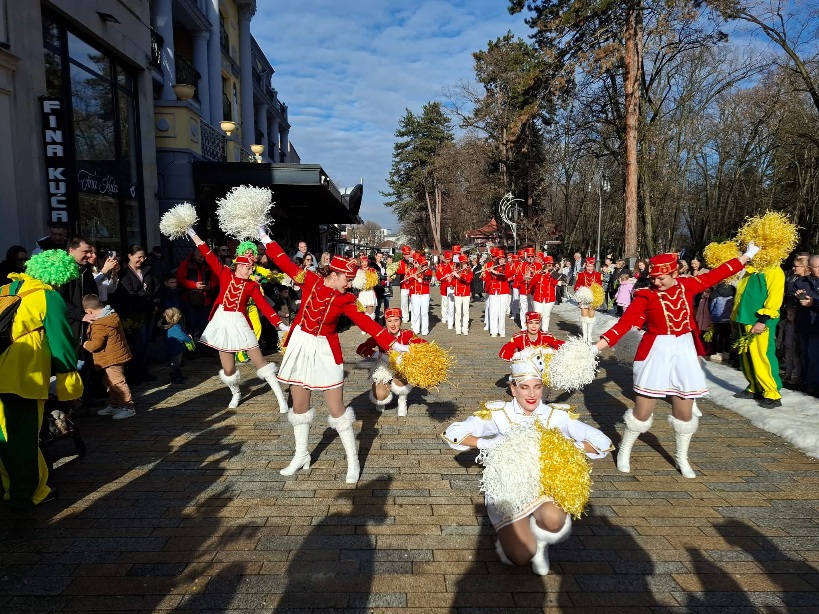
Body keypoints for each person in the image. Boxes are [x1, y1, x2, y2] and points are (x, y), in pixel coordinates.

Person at [259, 228, 408, 484]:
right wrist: (264, 237)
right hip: (301, 346)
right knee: (300, 404)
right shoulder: (309, 280)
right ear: (335, 274)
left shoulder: (346, 300)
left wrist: (393, 343)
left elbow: (365, 322)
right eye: (347, 280)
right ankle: (301, 454)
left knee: (337, 409)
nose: (350, 285)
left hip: (326, 351)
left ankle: (353, 460)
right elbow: (282, 261)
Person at [594, 246, 757, 478]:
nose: (657, 282)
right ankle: (625, 450)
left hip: (684, 352)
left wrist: (747, 256)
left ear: (674, 274)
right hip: (655, 352)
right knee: (643, 409)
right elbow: (625, 323)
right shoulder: (645, 295)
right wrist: (596, 347)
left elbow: (716, 275)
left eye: (662, 278)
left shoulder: (687, 286)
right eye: (654, 278)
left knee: (684, 411)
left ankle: (682, 457)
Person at [441, 353, 612, 575]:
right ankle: (525, 540)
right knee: (521, 557)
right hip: (509, 488)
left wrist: (561, 446)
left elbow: (602, 442)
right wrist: (489, 443)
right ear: (513, 389)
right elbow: (453, 433)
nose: (532, 394)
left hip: (544, 486)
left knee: (553, 519)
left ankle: (542, 545)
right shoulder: (499, 413)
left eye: (537, 387)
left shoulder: (555, 415)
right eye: (524, 387)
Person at [0, 249, 83, 508]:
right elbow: (62, 344)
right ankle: (29, 493)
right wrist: (70, 386)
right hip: (23, 376)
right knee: (23, 437)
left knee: (3, 434)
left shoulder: (5, 289)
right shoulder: (48, 296)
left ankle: (9, 486)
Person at [185, 229, 289, 410]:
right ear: (239, 266)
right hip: (222, 323)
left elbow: (264, 305)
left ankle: (281, 398)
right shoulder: (225, 273)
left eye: (251, 268)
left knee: (262, 364)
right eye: (248, 268)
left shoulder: (252, 286)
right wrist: (194, 234)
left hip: (241, 323)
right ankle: (236, 393)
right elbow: (208, 254)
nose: (251, 271)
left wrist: (279, 323)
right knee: (228, 369)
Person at [730, 248, 786, 408]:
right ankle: (754, 387)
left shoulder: (774, 270)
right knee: (746, 356)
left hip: (759, 321)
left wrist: (763, 319)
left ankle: (772, 392)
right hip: (744, 319)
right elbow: (739, 295)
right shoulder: (750, 270)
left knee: (761, 357)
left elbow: (775, 297)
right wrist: (734, 317)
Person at [356, 307, 426, 416]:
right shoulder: (380, 334)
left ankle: (402, 399)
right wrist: (380, 355)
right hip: (384, 366)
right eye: (389, 321)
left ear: (401, 321)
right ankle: (383, 393)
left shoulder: (408, 334)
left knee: (403, 370)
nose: (393, 324)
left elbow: (424, 345)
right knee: (379, 395)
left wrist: (408, 351)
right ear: (386, 322)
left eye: (396, 320)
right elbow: (361, 349)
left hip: (401, 366)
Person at [81, 294, 135, 420]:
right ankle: (115, 404)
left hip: (111, 358)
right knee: (109, 382)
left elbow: (96, 344)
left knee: (118, 382)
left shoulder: (100, 325)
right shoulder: (110, 316)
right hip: (113, 356)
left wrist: (86, 344)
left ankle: (128, 406)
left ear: (89, 311)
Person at [112, 245, 160, 384]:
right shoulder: (124, 273)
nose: (142, 259)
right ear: (130, 256)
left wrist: (156, 304)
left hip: (149, 312)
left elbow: (156, 287)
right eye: (139, 257)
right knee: (137, 342)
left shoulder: (148, 269)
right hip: (134, 313)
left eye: (143, 257)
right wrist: (149, 304)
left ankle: (143, 371)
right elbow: (131, 294)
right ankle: (134, 373)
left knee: (145, 343)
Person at [176, 247, 217, 341]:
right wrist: (195, 285)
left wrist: (209, 285)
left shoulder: (209, 264)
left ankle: (204, 348)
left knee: (205, 325)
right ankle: (190, 349)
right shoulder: (186, 264)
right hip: (190, 299)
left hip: (205, 299)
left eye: (203, 256)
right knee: (191, 325)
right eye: (200, 255)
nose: (201, 258)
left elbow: (215, 280)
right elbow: (180, 280)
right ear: (195, 253)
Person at [498, 312, 564, 360]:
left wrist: (549, 351)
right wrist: (522, 355)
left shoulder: (547, 337)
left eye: (537, 323)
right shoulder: (519, 337)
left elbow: (565, 347)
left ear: (540, 324)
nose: (534, 326)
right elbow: (503, 353)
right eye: (530, 323)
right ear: (526, 324)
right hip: (525, 371)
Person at [158, 307, 194, 385]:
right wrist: (189, 338)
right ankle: (175, 377)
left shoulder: (167, 327)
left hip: (171, 347)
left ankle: (177, 375)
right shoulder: (175, 327)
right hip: (176, 348)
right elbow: (182, 336)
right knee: (176, 363)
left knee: (175, 363)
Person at [574, 257, 602, 343]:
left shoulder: (598, 274)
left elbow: (600, 286)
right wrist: (581, 291)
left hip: (593, 298)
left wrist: (597, 294)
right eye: (588, 266)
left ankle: (589, 335)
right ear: (585, 266)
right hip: (584, 298)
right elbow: (576, 286)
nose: (590, 268)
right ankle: (584, 335)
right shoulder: (581, 275)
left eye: (591, 266)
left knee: (591, 316)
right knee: (584, 316)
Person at [529, 255, 560, 332]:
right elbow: (532, 283)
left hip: (549, 298)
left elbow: (555, 283)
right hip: (538, 298)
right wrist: (537, 274)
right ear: (545, 265)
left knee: (546, 315)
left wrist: (547, 275)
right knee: (538, 315)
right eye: (549, 265)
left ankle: (544, 331)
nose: (551, 266)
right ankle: (536, 331)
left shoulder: (554, 274)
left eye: (552, 265)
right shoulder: (539, 272)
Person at [776, 306, 799, 385]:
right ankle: (787, 375)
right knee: (788, 362)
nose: (789, 316)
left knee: (796, 362)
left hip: (795, 346)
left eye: (791, 314)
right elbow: (781, 335)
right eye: (788, 314)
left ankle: (795, 377)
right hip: (787, 346)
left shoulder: (798, 325)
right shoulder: (785, 324)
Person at [450, 255, 473, 335]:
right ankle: (458, 328)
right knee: (458, 312)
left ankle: (465, 328)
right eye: (463, 263)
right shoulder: (457, 271)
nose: (464, 265)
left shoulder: (469, 271)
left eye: (466, 263)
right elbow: (452, 284)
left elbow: (468, 280)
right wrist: (451, 279)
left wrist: (458, 276)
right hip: (457, 294)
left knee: (466, 311)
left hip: (466, 293)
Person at [435, 250, 454, 329]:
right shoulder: (440, 266)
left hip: (451, 286)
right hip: (444, 286)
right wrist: (444, 277)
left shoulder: (453, 265)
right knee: (444, 302)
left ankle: (451, 317)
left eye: (450, 259)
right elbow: (438, 276)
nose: (448, 260)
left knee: (451, 303)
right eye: (447, 259)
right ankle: (444, 317)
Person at [395, 245, 414, 322]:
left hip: (412, 284)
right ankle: (405, 317)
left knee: (412, 302)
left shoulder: (413, 262)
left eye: (408, 254)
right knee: (404, 302)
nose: (406, 256)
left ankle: (413, 316)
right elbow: (397, 271)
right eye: (405, 254)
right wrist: (403, 273)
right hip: (403, 285)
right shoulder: (400, 262)